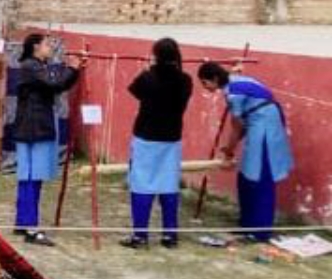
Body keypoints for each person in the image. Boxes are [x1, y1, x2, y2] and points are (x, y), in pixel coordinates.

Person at [197, 62, 292, 242]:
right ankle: (247, 223)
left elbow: (237, 125)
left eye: (205, 82)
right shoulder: (234, 81)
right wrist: (230, 148)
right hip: (256, 125)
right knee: (246, 175)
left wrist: (229, 149)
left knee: (261, 177)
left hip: (265, 126)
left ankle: (260, 231)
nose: (205, 87)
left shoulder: (233, 93)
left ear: (215, 79)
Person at [12, 33, 85, 246]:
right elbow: (54, 82)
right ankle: (31, 228)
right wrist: (72, 68)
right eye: (46, 44)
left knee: (32, 177)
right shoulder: (30, 66)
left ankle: (23, 221)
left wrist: (73, 69)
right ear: (36, 47)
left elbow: (58, 80)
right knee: (31, 178)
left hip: (34, 127)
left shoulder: (38, 66)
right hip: (33, 129)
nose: (50, 47)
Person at [121, 38, 193, 249]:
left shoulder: (148, 78)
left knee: (142, 185)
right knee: (169, 185)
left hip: (146, 137)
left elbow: (134, 90)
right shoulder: (185, 80)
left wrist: (148, 69)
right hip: (171, 138)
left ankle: (140, 236)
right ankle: (170, 235)